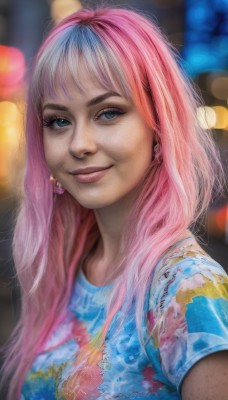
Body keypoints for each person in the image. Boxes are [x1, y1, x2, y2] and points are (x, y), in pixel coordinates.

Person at [1, 7, 228, 400]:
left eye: (108, 113)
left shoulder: (189, 290)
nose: (79, 144)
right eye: (58, 121)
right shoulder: (67, 268)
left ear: (158, 124)